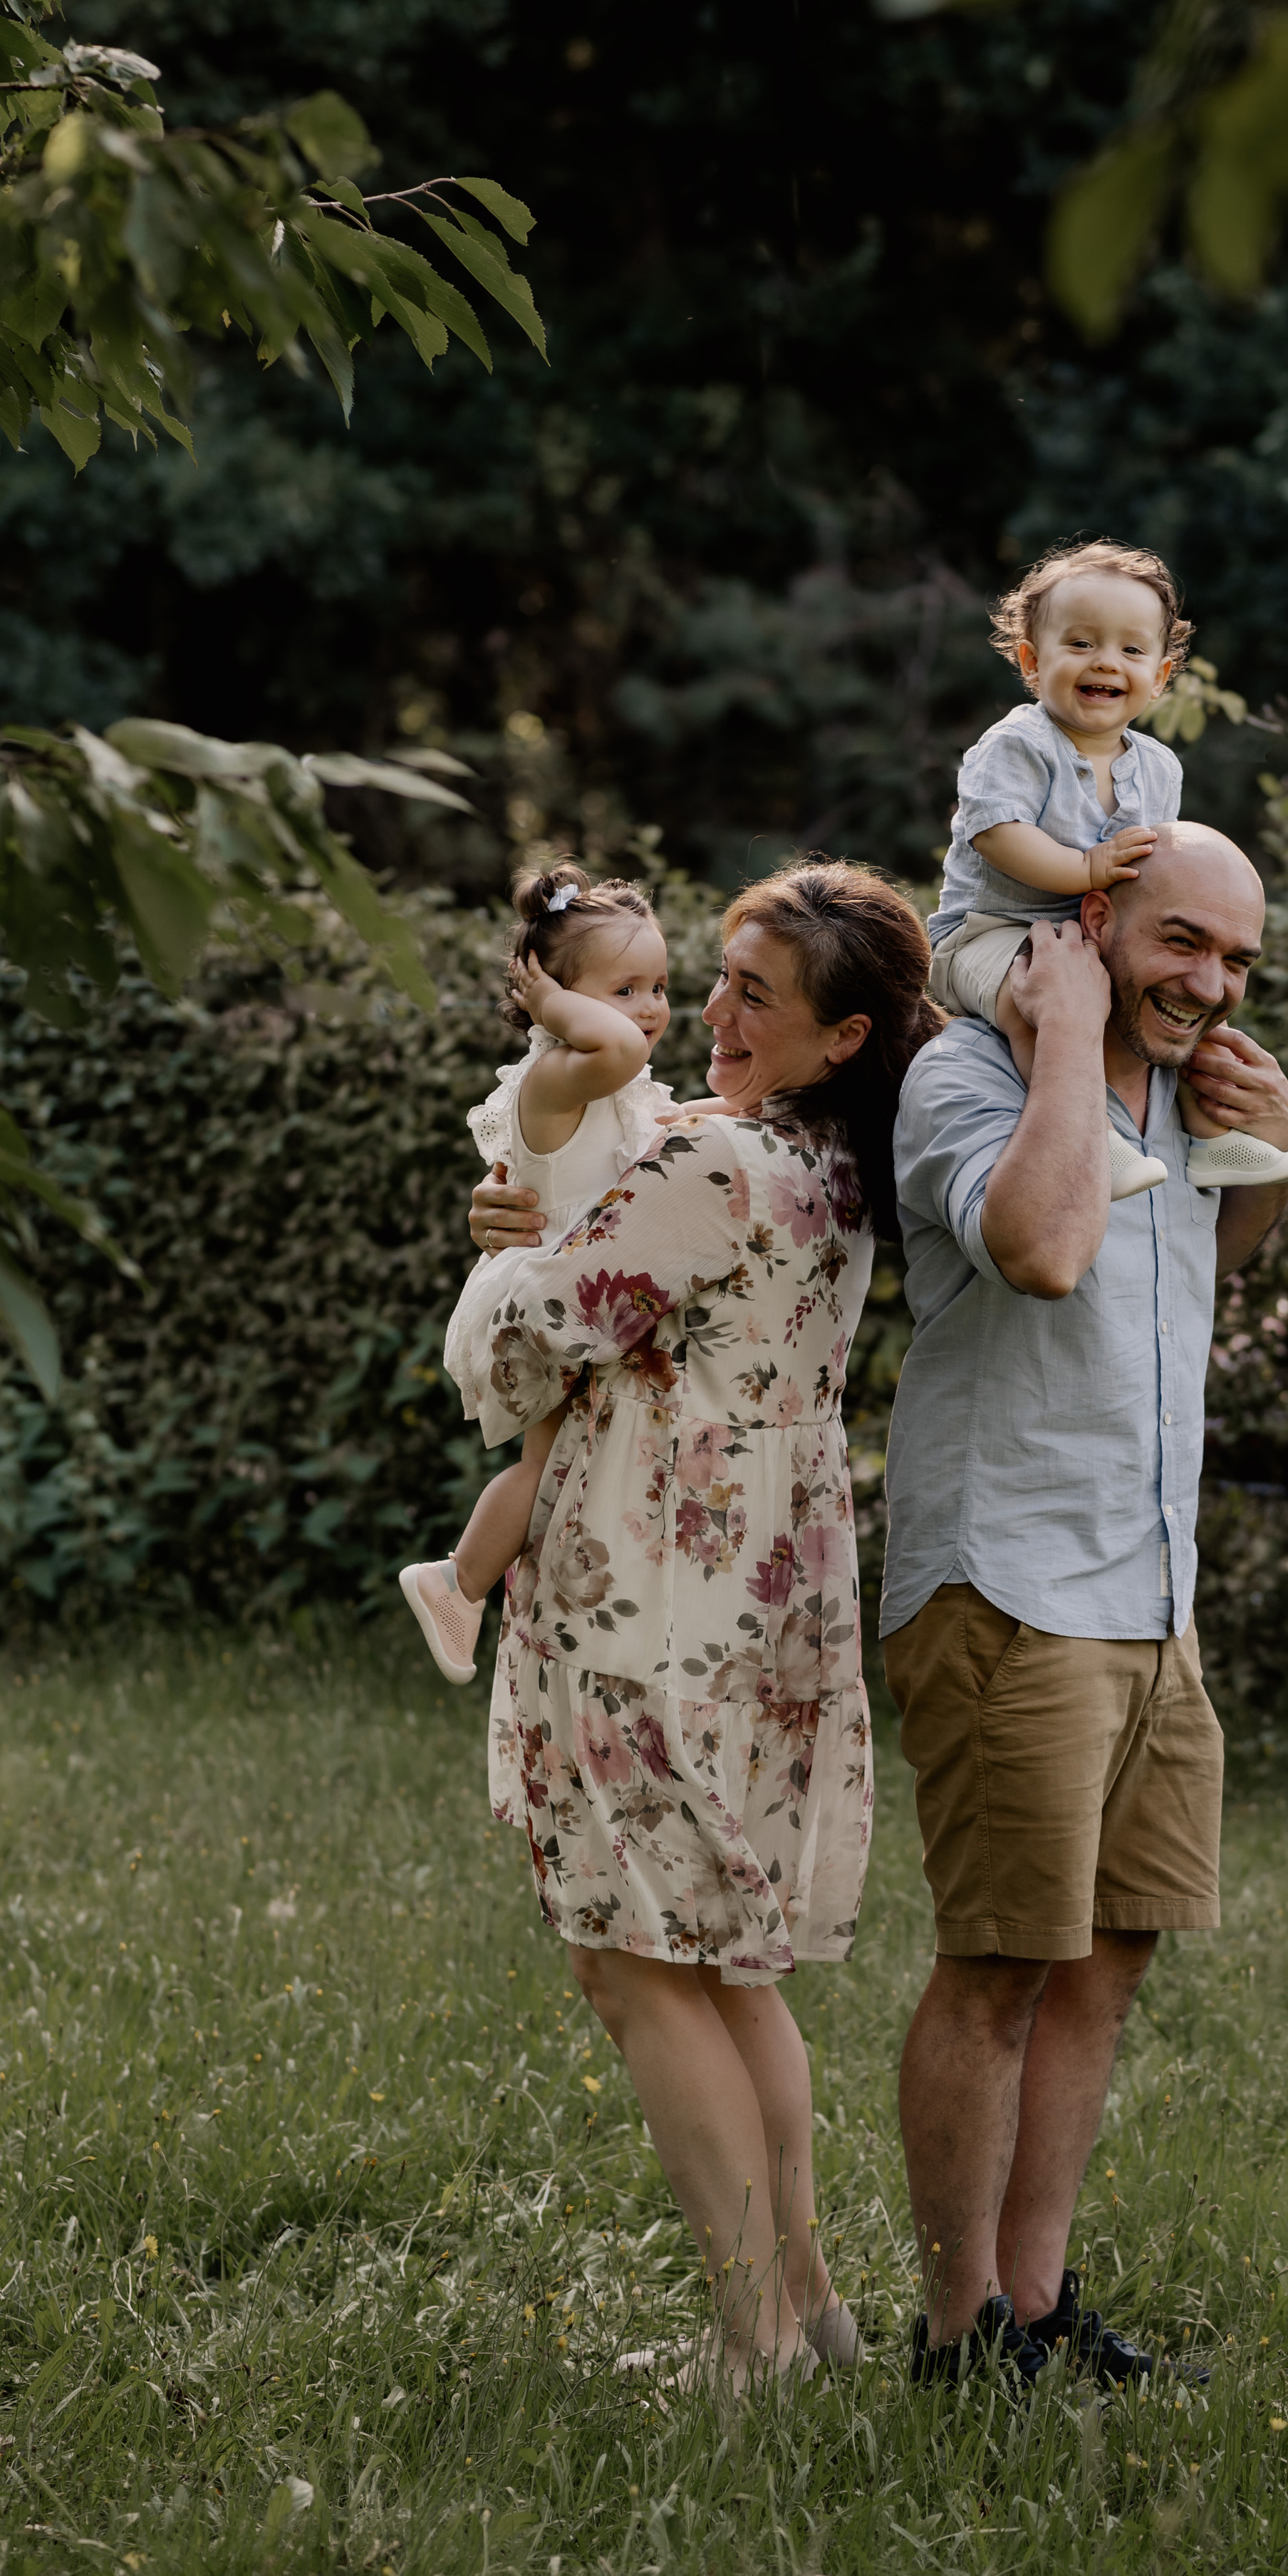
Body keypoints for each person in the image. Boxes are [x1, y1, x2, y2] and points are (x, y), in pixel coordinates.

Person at [462, 862, 942, 2391]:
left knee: (637, 1962)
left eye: (754, 997)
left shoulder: (708, 1165)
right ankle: (808, 2311)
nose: (709, 1015)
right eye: (715, 979)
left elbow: (532, 1345)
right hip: (759, 1595)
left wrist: (509, 1240)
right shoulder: (828, 1170)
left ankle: (752, 2344)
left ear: (841, 1036)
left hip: (644, 1586)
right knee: (724, 1965)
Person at [883, 820, 1288, 2390]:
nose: (1210, 983)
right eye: (1180, 943)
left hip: (1147, 1582)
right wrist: (1065, 1028)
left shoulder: (1174, 1087)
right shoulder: (970, 1078)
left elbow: (1185, 1272)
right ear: (1090, 917)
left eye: (1239, 958)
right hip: (1007, 1574)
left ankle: (1036, 2304)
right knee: (998, 1963)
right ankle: (952, 2338)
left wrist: (1274, 1153)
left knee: (1110, 1949)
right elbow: (1050, 1251)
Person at [927, 539, 1288, 1205]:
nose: (1105, 661)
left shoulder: (1159, 767)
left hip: (1090, 935)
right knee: (1039, 1002)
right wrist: (1084, 868)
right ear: (1031, 660)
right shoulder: (1017, 744)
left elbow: (1159, 873)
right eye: (1080, 643)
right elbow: (996, 833)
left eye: (1131, 651)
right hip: (989, 934)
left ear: (1159, 677)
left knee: (1190, 1004)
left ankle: (1213, 1139)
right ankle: (1090, 1135)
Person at [400, 864, 677, 1687]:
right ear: (556, 1000)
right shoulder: (561, 1074)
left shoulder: (613, 1079)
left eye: (659, 985)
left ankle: (471, 1582)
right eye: (624, 988)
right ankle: (457, 1581)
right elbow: (621, 1046)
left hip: (580, 1298)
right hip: (550, 1299)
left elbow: (673, 1128)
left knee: (565, 1464)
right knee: (545, 1463)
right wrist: (547, 1003)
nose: (651, 1010)